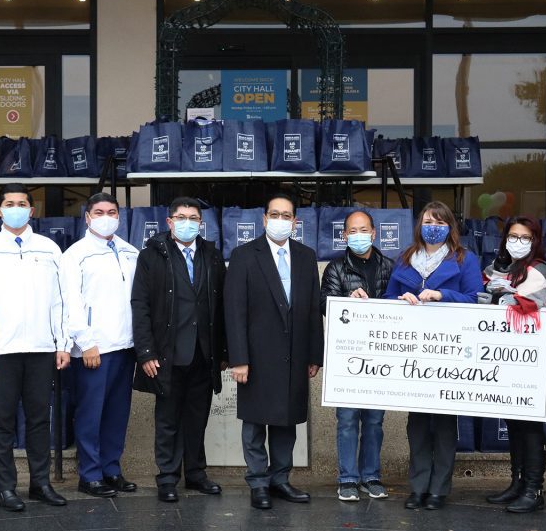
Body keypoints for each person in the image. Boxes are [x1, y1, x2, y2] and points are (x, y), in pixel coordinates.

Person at [0, 183, 70, 512]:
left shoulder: (50, 249)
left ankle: (40, 483)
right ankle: (5, 488)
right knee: (3, 422)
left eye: (22, 203)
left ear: (32, 210)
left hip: (41, 349)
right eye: (9, 203)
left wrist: (63, 343)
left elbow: (61, 302)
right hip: (1, 353)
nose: (16, 208)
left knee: (39, 420)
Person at [224, 193, 324, 510]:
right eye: (275, 214)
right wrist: (238, 358)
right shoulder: (243, 256)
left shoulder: (306, 257)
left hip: (294, 355)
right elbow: (234, 311)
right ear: (265, 219)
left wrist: (314, 355)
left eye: (287, 215)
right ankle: (258, 483)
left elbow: (311, 311)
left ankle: (280, 479)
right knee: (255, 424)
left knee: (286, 422)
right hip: (255, 357)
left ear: (295, 222)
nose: (281, 220)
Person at [383, 201, 482, 511]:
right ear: (419, 225)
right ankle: (418, 487)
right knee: (417, 425)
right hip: (414, 353)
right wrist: (402, 299)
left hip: (449, 353)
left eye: (440, 221)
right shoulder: (405, 259)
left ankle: (439, 489)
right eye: (428, 220)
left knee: (442, 425)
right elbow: (388, 299)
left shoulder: (465, 260)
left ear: (449, 226)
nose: (433, 226)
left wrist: (442, 295)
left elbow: (476, 300)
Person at [131, 197, 227, 503]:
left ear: (201, 223)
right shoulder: (152, 256)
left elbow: (221, 305)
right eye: (181, 217)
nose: (187, 223)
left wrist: (223, 352)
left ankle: (196, 473)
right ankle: (168, 477)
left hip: (203, 353)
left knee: (197, 418)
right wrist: (146, 352)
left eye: (193, 218)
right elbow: (140, 305)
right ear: (170, 222)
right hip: (167, 354)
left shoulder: (212, 255)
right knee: (168, 419)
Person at [61, 192, 139, 498]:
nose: (106, 216)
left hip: (125, 346)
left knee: (117, 413)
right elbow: (71, 302)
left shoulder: (129, 252)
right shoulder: (75, 255)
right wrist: (86, 342)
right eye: (99, 211)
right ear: (88, 217)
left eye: (112, 211)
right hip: (94, 349)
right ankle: (90, 473)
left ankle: (111, 469)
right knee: (91, 413)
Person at [481, 216, 546, 514]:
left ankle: (533, 489)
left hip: (534, 364)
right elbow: (487, 301)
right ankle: (517, 482)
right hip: (509, 360)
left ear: (535, 241)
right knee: (514, 423)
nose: (518, 242)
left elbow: (534, 304)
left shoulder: (542, 272)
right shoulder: (500, 271)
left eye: (525, 237)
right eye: (513, 236)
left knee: (530, 426)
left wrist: (507, 298)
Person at [319, 209, 394, 502]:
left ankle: (371, 476)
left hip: (380, 359)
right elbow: (324, 303)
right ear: (344, 235)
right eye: (352, 231)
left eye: (364, 230)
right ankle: (348, 478)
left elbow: (397, 303)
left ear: (374, 234)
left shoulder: (390, 266)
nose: (358, 235)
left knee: (374, 421)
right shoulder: (336, 268)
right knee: (348, 420)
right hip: (347, 359)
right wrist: (345, 301)